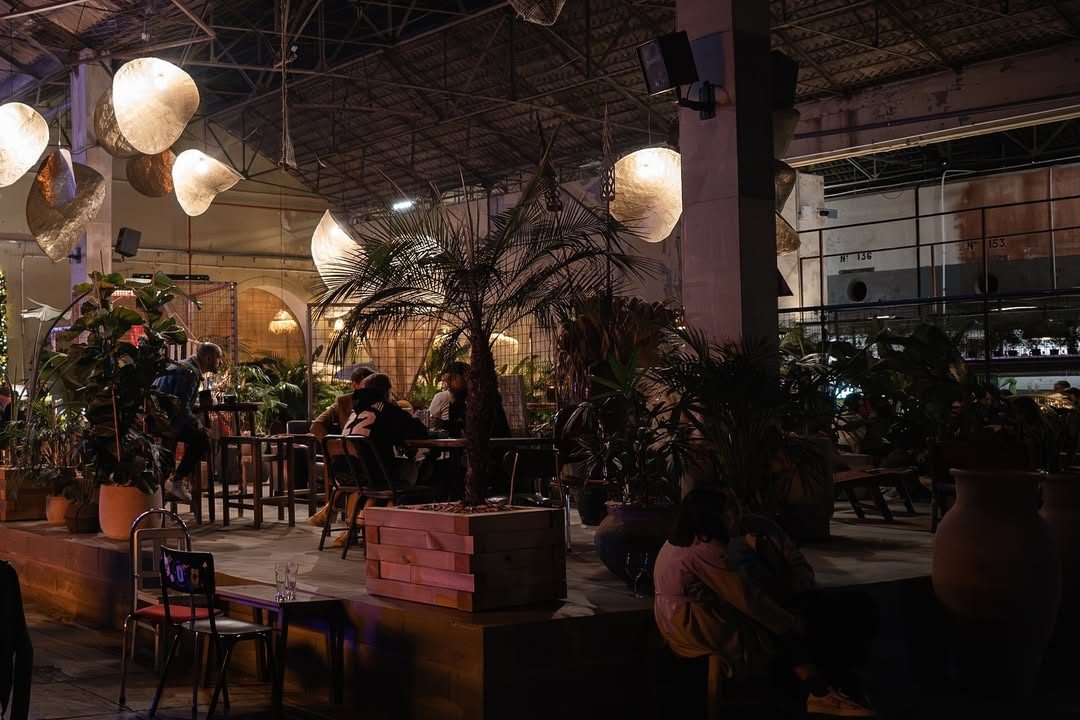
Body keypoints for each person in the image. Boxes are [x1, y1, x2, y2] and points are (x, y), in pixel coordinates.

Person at [653, 489, 874, 718]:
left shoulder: (746, 530)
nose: (737, 510)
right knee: (789, 625)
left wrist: (795, 586)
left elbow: (794, 564)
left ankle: (830, 688)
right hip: (703, 624)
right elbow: (747, 598)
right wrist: (789, 622)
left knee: (834, 610)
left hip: (703, 616)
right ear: (713, 514)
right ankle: (820, 692)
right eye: (729, 506)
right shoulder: (704, 548)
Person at [332, 373, 428, 545]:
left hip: (342, 474)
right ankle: (385, 532)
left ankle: (363, 522)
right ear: (387, 392)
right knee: (403, 476)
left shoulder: (355, 411)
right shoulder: (386, 408)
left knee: (385, 476)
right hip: (367, 475)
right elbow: (420, 431)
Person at [152, 343, 223, 502]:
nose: (221, 363)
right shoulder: (190, 373)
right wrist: (200, 426)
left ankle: (171, 481)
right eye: (219, 358)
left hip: (156, 419)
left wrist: (195, 407)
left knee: (198, 434)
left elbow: (178, 401)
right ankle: (176, 480)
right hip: (165, 423)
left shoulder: (184, 365)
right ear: (208, 358)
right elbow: (180, 408)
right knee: (203, 438)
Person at [307, 365, 374, 528]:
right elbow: (316, 426)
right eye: (365, 384)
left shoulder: (379, 401)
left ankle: (330, 510)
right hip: (352, 461)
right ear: (354, 385)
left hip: (364, 460)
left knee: (359, 479)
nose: (368, 389)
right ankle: (350, 529)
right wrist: (336, 449)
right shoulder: (344, 402)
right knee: (366, 478)